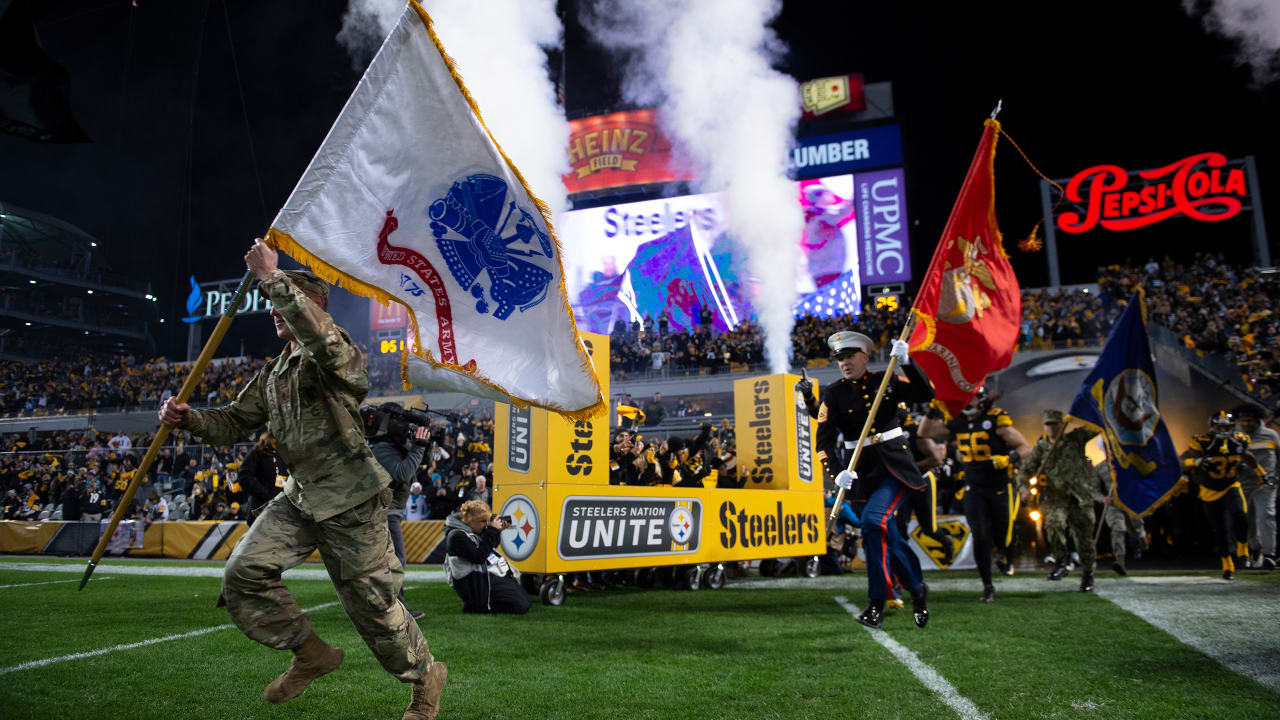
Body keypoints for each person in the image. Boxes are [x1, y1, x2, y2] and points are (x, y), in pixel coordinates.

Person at [158, 239, 445, 719]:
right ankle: (310, 653)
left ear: (310, 305)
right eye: (273, 301)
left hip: (351, 498)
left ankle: (424, 677)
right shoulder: (275, 373)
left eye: (284, 300)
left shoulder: (337, 355)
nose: (273, 310)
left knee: (373, 607)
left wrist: (273, 278)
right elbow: (231, 422)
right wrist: (187, 418)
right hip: (301, 496)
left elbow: (325, 343)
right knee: (242, 574)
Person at [815, 330, 933, 629]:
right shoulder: (833, 393)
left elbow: (925, 394)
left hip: (895, 467)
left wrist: (907, 362)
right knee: (888, 538)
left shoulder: (887, 379)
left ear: (865, 356)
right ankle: (917, 589)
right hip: (862, 474)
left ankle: (877, 603)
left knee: (871, 521)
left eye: (849, 356)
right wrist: (837, 472)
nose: (844, 362)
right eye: (839, 358)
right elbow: (823, 445)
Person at [920, 384, 1033, 602]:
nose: (966, 403)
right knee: (980, 535)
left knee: (1002, 536)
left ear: (981, 399)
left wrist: (1010, 459)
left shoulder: (996, 419)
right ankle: (987, 585)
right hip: (974, 487)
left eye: (970, 398)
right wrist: (932, 409)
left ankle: (1007, 553)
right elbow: (925, 432)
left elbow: (1025, 447)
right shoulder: (959, 422)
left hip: (1001, 486)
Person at [1018, 410, 1098, 592]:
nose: (1051, 428)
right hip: (1054, 497)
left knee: (1084, 537)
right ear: (1044, 426)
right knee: (1053, 525)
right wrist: (1024, 489)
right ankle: (1062, 560)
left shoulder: (1076, 439)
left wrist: (1097, 407)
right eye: (1048, 424)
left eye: (1055, 424)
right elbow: (1024, 471)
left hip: (1080, 497)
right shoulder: (1041, 449)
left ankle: (1087, 575)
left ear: (1062, 424)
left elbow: (1097, 426)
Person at [368, 405, 430, 621]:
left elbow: (422, 463)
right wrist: (418, 447)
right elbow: (404, 473)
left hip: (389, 511)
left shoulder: (390, 447)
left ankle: (393, 607)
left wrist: (422, 445)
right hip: (384, 511)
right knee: (396, 560)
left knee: (391, 561)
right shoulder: (382, 449)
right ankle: (393, 609)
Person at [1181, 410, 1258, 580]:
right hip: (1209, 489)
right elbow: (1181, 461)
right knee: (1219, 528)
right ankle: (1227, 563)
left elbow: (1248, 456)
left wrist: (1262, 473)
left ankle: (1243, 549)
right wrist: (1196, 461)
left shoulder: (1238, 439)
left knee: (1240, 515)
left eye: (1226, 427)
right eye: (1219, 426)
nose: (1223, 430)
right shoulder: (1203, 442)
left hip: (1231, 484)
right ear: (1212, 426)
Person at [443, 500, 531, 614]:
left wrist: (497, 531)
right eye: (482, 521)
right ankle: (476, 606)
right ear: (470, 520)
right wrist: (492, 530)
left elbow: (489, 548)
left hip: (482, 576)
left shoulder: (471, 529)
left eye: (487, 521)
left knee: (526, 601)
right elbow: (479, 556)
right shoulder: (456, 536)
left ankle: (478, 605)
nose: (485, 524)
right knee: (520, 606)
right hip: (474, 583)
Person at [1235, 405, 1278, 569]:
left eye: (1249, 420)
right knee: (1248, 519)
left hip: (1266, 483)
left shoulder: (1270, 435)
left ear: (1257, 420)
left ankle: (1269, 554)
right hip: (1243, 483)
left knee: (1266, 516)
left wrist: (1276, 477)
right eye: (1243, 420)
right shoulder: (1236, 436)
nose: (1246, 424)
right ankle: (1254, 550)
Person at [1093, 461, 1146, 575]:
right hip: (1113, 504)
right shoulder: (1100, 468)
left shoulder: (1130, 462)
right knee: (1118, 529)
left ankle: (1141, 538)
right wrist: (1103, 498)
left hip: (1131, 502)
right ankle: (1120, 561)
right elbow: (1094, 490)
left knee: (1136, 528)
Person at [239, 432, 288, 520]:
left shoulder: (281, 454)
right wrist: (263, 492)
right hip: (260, 508)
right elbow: (244, 476)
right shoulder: (258, 452)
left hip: (278, 509)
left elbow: (282, 478)